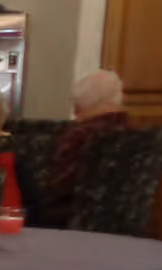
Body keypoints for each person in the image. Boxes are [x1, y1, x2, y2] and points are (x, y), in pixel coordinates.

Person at [48, 69, 130, 216]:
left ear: (78, 106)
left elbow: (58, 186)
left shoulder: (81, 136)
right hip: (118, 216)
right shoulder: (131, 132)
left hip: (69, 217)